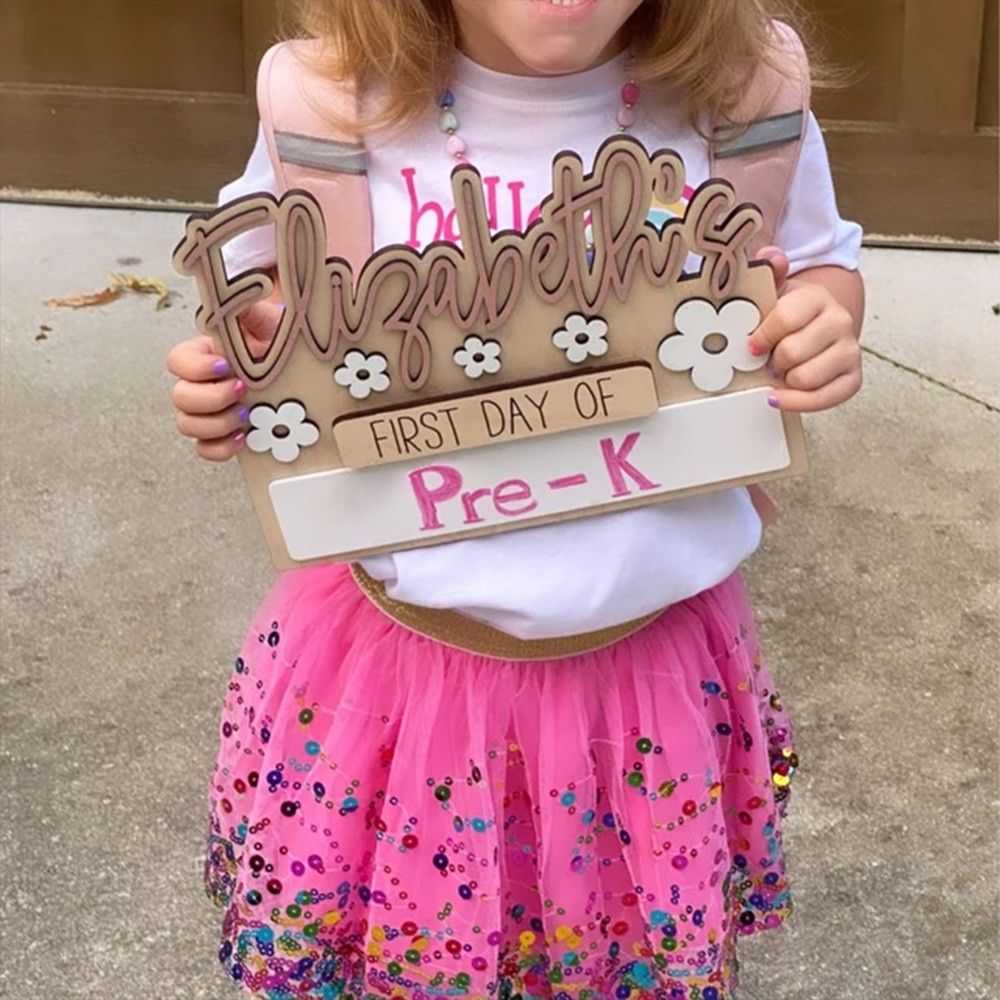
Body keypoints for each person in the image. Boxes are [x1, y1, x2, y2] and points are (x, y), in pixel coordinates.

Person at [167, 1, 864, 996]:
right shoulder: (330, 103)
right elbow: (255, 289)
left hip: (648, 678)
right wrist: (223, 378)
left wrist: (821, 324)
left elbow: (821, 257)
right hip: (405, 681)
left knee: (614, 954)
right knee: (412, 961)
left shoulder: (741, 94)